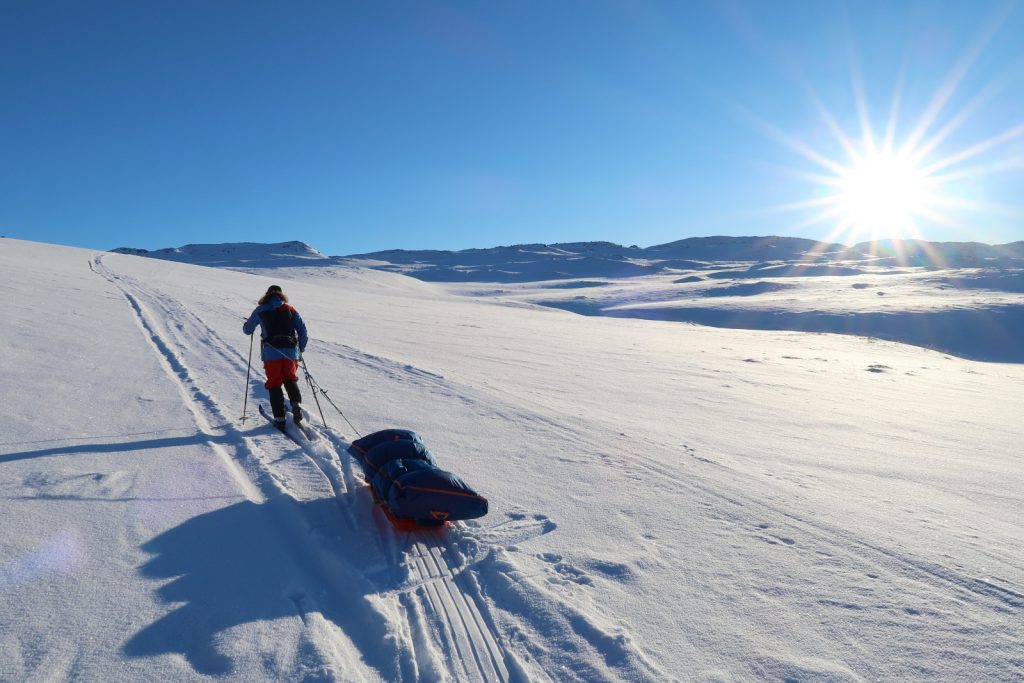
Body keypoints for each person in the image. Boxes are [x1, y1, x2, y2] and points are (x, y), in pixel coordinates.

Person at [243, 285, 309, 429]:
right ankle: (296, 404)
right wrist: (300, 349)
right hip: (291, 352)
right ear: (280, 295)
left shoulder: (261, 309)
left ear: (267, 295)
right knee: (290, 378)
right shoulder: (290, 309)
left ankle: (279, 418)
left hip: (271, 352)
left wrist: (246, 325)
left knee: (274, 383)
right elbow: (303, 331)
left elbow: (248, 330)